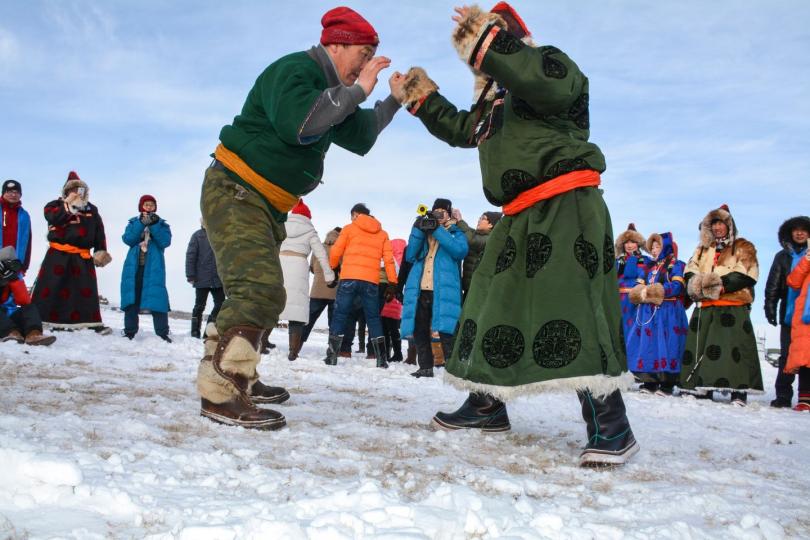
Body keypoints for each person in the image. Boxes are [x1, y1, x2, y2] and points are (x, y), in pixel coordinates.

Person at [392, 3, 638, 466]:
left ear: (514, 41)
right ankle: (487, 404)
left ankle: (612, 426)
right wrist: (417, 93)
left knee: (575, 307)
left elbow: (536, 75)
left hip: (568, 206)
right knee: (489, 303)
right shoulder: (495, 106)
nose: (488, 45)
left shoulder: (553, 69)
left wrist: (483, 32)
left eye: (497, 36)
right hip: (518, 214)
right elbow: (463, 129)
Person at [196, 6, 402, 429]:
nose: (367, 67)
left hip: (265, 202)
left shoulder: (332, 94)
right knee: (257, 287)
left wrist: (395, 100)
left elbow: (360, 134)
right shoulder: (295, 71)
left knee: (266, 294)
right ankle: (221, 392)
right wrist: (359, 91)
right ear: (338, 44)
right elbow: (301, 125)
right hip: (237, 190)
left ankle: (240, 377)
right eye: (364, 55)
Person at [681, 205, 762, 406]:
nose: (717, 228)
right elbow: (690, 270)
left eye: (721, 223)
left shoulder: (744, 246)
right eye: (713, 224)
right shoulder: (701, 250)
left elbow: (746, 273)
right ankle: (699, 387)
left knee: (732, 349)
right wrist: (697, 284)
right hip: (706, 305)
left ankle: (738, 391)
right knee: (701, 346)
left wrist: (717, 285)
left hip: (731, 304)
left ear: (729, 225)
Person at [32, 171, 113, 334]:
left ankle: (90, 323)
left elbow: (99, 231)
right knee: (53, 287)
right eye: (73, 189)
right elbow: (53, 218)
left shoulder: (92, 210)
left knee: (83, 291)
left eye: (80, 189)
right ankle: (42, 321)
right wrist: (70, 205)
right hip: (58, 255)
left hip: (82, 256)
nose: (77, 192)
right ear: (66, 191)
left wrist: (100, 250)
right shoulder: (54, 205)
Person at [401, 198, 468, 377]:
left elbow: (460, 251)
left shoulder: (455, 232)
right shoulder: (424, 231)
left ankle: (454, 370)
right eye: (436, 211)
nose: (438, 215)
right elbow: (411, 254)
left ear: (449, 214)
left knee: (447, 330)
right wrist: (417, 229)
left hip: (443, 290)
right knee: (419, 329)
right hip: (420, 287)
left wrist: (437, 230)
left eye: (442, 212)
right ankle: (425, 367)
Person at [325, 203, 398, 368]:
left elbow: (336, 252)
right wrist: (392, 283)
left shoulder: (349, 228)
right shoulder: (383, 234)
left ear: (356, 215)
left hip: (349, 278)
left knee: (340, 314)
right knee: (373, 318)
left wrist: (334, 266)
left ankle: (332, 356)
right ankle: (381, 359)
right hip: (371, 281)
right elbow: (388, 260)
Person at [625, 232, 688, 395]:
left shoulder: (677, 265)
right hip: (649, 312)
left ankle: (667, 383)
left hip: (668, 311)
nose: (653, 250)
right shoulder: (648, 267)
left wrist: (656, 290)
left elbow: (677, 286)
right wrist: (639, 292)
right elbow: (639, 284)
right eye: (652, 247)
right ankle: (650, 381)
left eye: (657, 246)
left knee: (668, 345)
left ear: (666, 247)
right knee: (649, 345)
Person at [278, 199, 335, 360]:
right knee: (297, 310)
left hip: (280, 265)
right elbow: (321, 255)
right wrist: (329, 276)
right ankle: (293, 351)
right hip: (299, 267)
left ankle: (261, 343)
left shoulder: (281, 225)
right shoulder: (310, 231)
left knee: (273, 306)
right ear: (307, 217)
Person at [764, 216, 810, 408]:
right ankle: (783, 394)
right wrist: (770, 306)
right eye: (795, 230)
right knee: (785, 355)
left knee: (806, 356)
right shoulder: (782, 256)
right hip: (790, 313)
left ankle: (805, 397)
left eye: (804, 230)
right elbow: (773, 283)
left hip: (807, 315)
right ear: (789, 233)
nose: (799, 233)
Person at [120, 195, 172, 342]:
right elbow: (128, 239)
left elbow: (165, 242)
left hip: (154, 268)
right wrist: (140, 224)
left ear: (155, 207)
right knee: (131, 297)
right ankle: (130, 331)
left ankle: (162, 332)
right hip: (134, 267)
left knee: (158, 297)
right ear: (141, 207)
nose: (149, 207)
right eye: (146, 204)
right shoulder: (133, 223)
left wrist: (154, 225)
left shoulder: (162, 224)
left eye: (152, 205)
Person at [0, 247, 56, 346]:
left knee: (29, 307)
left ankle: (33, 334)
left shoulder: (10, 277)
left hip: (5, 320)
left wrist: (14, 280)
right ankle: (11, 333)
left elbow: (25, 302)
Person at [301, 226, 342, 345]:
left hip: (317, 290)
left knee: (309, 319)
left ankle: (297, 344)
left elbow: (312, 268)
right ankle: (332, 348)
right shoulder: (340, 250)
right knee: (333, 322)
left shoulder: (318, 249)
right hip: (334, 290)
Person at [615, 223, 650, 355]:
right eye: (627, 242)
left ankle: (635, 361)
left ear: (638, 244)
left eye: (633, 242)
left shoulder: (646, 260)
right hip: (618, 301)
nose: (630, 245)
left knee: (636, 330)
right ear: (622, 245)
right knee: (619, 329)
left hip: (637, 301)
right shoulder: (617, 261)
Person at [186, 221, 224, 339]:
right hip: (201, 277)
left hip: (218, 278)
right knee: (199, 305)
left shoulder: (221, 235)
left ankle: (208, 331)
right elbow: (191, 255)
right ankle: (194, 331)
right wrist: (190, 275)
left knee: (221, 304)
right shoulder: (197, 236)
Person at [785, 238, 810, 411]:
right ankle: (805, 398)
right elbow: (793, 281)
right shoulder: (805, 259)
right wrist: (807, 260)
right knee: (805, 357)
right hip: (805, 315)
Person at [456, 209, 501, 299]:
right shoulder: (477, 235)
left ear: (491, 224)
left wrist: (460, 220)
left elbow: (471, 240)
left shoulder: (491, 238)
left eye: (483, 218)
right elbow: (468, 231)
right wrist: (455, 222)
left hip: (481, 290)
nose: (479, 220)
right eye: (479, 217)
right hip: (470, 288)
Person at [380, 238, 406, 362]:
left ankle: (386, 353)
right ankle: (398, 353)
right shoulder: (405, 261)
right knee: (395, 330)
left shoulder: (390, 260)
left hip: (388, 298)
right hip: (397, 301)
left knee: (385, 329)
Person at [0, 180, 32, 273]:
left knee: (18, 287)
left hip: (15, 265)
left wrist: (24, 266)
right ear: (3, 193)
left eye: (16, 192)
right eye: (10, 191)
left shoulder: (24, 215)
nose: (13, 195)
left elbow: (28, 241)